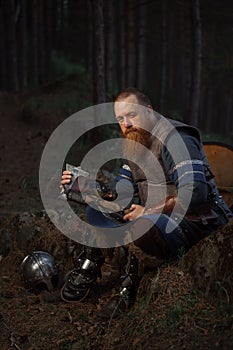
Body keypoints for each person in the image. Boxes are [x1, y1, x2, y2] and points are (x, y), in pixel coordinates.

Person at [60, 88, 232, 318]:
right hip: (156, 219)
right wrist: (88, 187)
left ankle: (127, 290)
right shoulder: (134, 142)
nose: (126, 124)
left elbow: (196, 192)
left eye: (132, 115)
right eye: (120, 119)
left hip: (197, 222)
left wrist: (148, 210)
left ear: (148, 111)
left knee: (144, 223)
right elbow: (122, 193)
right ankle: (87, 271)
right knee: (96, 212)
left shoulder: (175, 137)